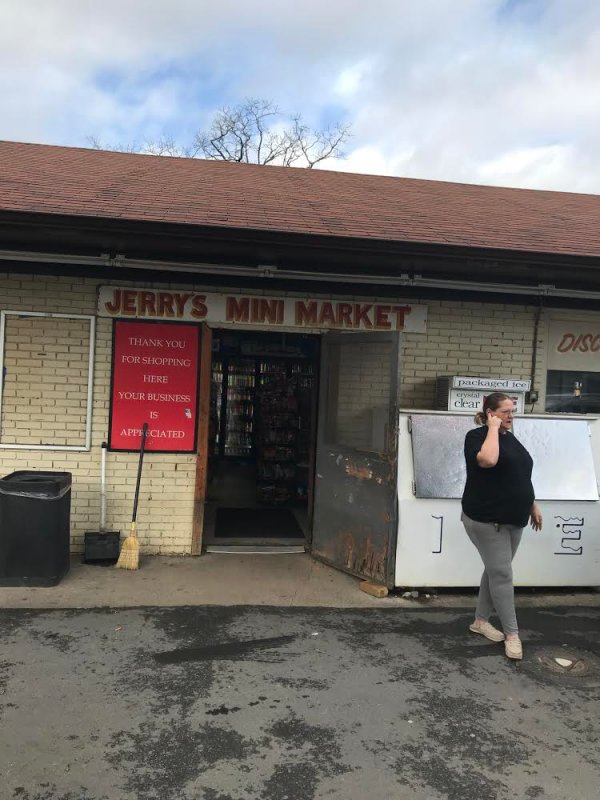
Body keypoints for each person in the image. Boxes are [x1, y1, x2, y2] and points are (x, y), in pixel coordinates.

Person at [461, 392, 543, 660]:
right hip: (486, 519)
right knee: (503, 575)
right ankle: (512, 634)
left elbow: (520, 474)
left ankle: (480, 621)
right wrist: (492, 429)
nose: (511, 416)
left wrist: (532, 503)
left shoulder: (510, 437)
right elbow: (488, 460)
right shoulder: (476, 437)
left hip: (514, 518)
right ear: (490, 413)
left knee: (496, 570)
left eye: (512, 411)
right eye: (505, 412)